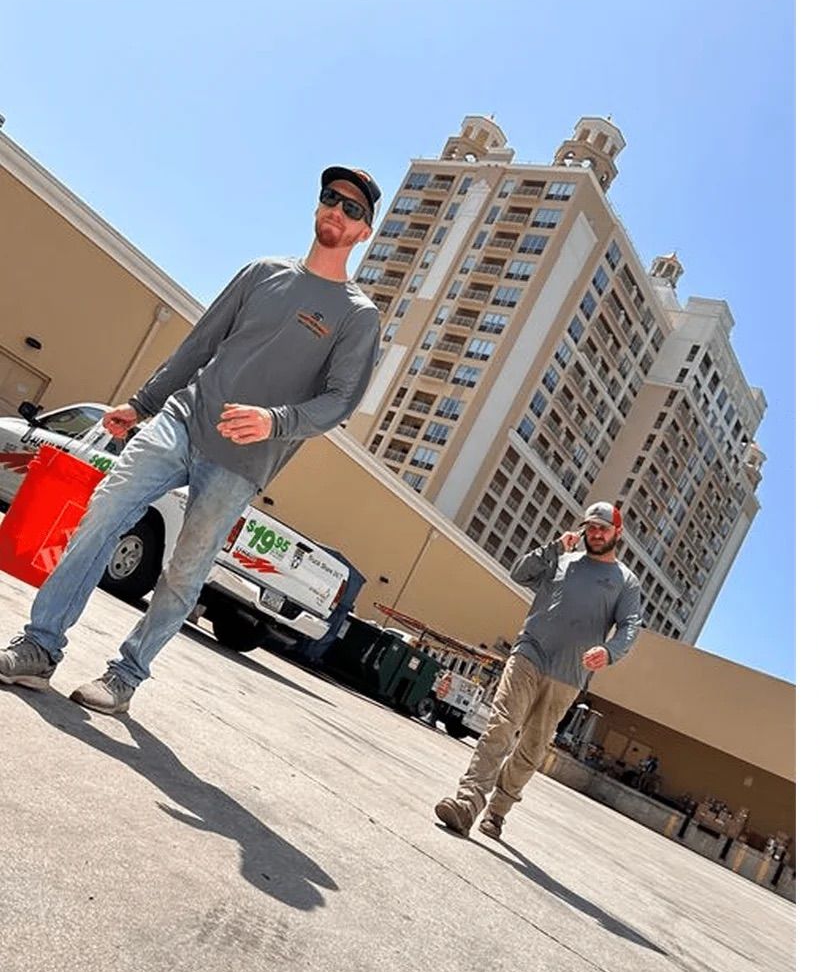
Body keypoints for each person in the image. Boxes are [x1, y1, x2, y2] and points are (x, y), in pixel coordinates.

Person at [0, 166, 383, 715]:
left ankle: (125, 676)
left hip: (242, 461)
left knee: (184, 571)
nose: (337, 212)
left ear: (364, 232)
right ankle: (39, 648)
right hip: (182, 419)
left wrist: (275, 421)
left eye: (353, 210)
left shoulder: (356, 315)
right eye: (331, 198)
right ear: (317, 204)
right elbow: (199, 345)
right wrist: (142, 404)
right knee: (104, 513)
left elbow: (339, 401)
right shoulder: (262, 273)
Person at [435, 500, 642, 841]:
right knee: (501, 725)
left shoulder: (625, 581)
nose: (595, 534)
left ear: (617, 533)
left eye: (603, 529)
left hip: (568, 674)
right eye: (590, 527)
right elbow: (520, 573)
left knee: (532, 746)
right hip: (529, 654)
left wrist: (609, 651)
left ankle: (498, 811)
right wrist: (554, 548)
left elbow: (630, 625)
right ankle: (467, 803)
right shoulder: (562, 559)